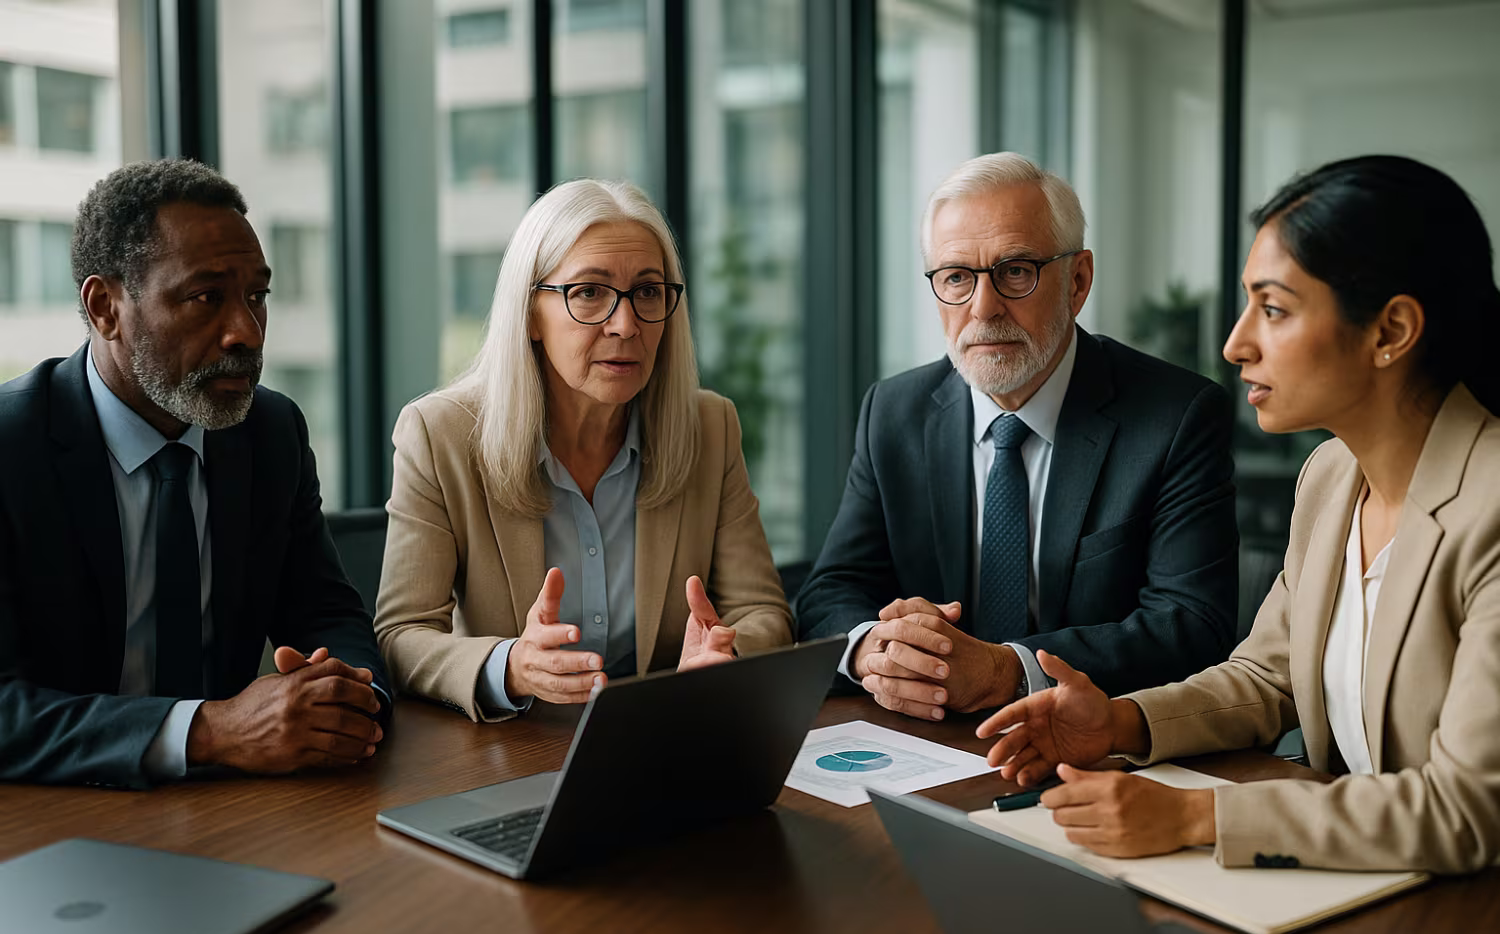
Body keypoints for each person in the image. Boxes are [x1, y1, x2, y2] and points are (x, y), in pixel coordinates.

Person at [979, 155, 1500, 874]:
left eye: (1275, 308)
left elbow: (1466, 808)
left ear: (1391, 331)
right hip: (1356, 880)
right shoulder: (1331, 476)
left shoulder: (1491, 506)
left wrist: (1196, 815)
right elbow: (1270, 677)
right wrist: (1118, 722)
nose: (1235, 344)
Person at [795, 152, 1238, 722]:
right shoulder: (894, 412)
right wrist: (876, 652)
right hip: (927, 739)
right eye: (956, 277)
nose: (983, 308)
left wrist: (1007, 670)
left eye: (1015, 271)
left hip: (1097, 745)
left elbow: (1193, 625)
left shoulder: (1175, 416)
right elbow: (832, 588)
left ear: (1077, 282)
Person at [0, 159, 391, 789]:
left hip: (229, 807)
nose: (245, 330)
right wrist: (210, 730)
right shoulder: (12, 448)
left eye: (257, 295)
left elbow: (328, 616)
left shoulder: (270, 432)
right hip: (54, 822)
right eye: (205, 297)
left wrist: (343, 700)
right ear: (106, 308)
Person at [377, 179, 792, 720]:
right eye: (589, 292)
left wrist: (725, 654)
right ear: (529, 313)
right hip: (512, 750)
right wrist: (510, 666)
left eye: (647, 292)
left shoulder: (709, 426)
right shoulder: (440, 435)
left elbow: (763, 612)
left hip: (663, 740)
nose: (625, 325)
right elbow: (401, 635)